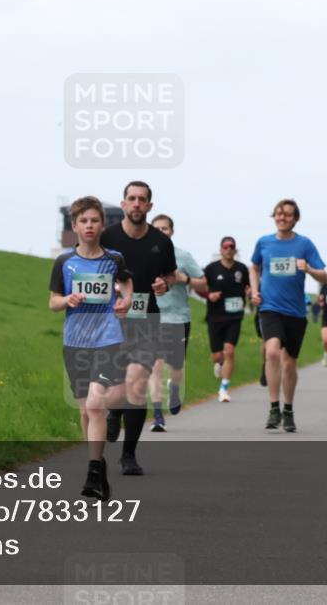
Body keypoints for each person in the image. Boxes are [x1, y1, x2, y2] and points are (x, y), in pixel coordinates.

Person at [49, 196, 133, 500]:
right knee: (86, 410)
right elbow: (53, 302)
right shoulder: (64, 262)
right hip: (75, 343)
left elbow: (126, 283)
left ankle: (94, 472)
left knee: (96, 404)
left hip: (108, 338)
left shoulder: (114, 258)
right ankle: (95, 466)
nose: (89, 226)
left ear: (102, 224)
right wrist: (67, 301)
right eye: (83, 221)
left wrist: (125, 299)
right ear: (74, 226)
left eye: (94, 220)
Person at [100, 182, 177, 475]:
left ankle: (128, 456)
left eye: (141, 200)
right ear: (123, 204)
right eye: (131, 199)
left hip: (147, 321)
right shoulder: (108, 237)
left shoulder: (161, 241)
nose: (136, 204)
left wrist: (164, 284)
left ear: (149, 207)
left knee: (136, 383)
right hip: (111, 322)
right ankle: (114, 411)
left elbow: (169, 275)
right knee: (116, 392)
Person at [248, 199, 327, 433]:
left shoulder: (305, 244)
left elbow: (323, 275)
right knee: (272, 352)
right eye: (279, 214)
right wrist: (254, 291)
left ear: (295, 219)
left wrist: (309, 269)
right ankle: (274, 407)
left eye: (288, 215)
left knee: (290, 363)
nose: (282, 218)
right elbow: (253, 266)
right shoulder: (264, 242)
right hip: (270, 308)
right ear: (274, 216)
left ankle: (289, 409)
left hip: (295, 312)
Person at [150, 214, 206, 430]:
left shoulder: (183, 256)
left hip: (178, 318)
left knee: (176, 366)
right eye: (157, 229)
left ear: (172, 232)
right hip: (153, 317)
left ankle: (174, 388)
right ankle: (157, 416)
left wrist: (186, 279)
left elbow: (203, 284)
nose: (162, 232)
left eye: (165, 229)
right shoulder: (146, 254)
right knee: (154, 366)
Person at [203, 237, 250, 402]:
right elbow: (200, 288)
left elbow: (249, 285)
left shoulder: (242, 269)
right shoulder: (211, 269)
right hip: (215, 317)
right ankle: (220, 364)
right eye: (226, 247)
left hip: (234, 316)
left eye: (232, 247)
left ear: (235, 250)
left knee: (229, 350)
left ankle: (223, 389)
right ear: (221, 249)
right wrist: (209, 295)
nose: (229, 249)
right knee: (217, 356)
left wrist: (250, 292)